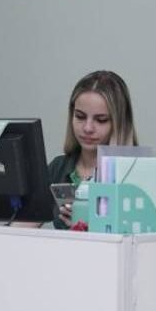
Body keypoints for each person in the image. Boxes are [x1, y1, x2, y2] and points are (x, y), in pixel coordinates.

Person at [49, 70, 138, 229]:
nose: (88, 128)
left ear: (120, 124)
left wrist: (88, 227)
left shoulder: (134, 173)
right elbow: (23, 224)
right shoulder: (58, 167)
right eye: (80, 116)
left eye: (101, 120)